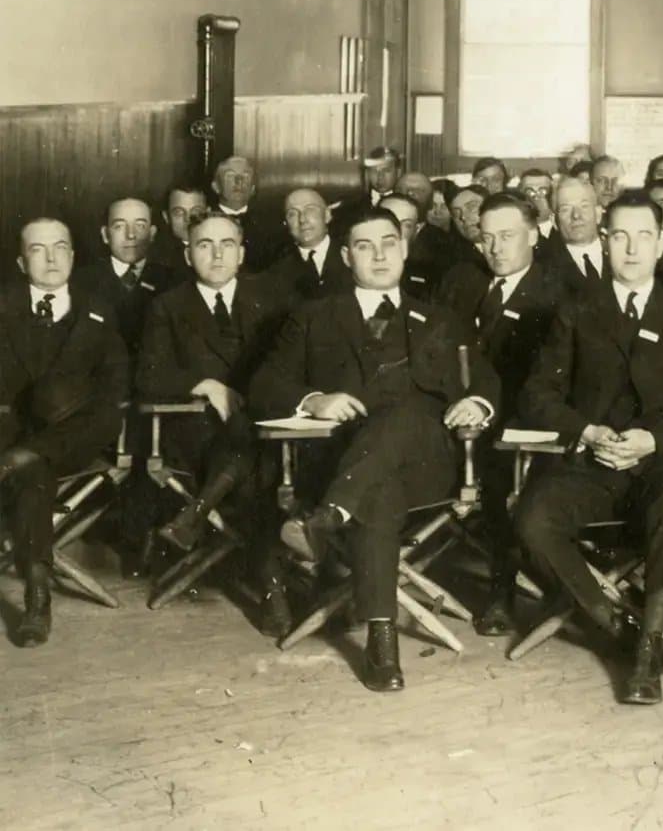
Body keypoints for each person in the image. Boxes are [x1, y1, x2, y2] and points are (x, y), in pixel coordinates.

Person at [256, 208, 497, 692]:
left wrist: (477, 401)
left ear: (405, 247)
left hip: (429, 465)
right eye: (365, 246)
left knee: (407, 412)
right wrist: (314, 400)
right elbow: (264, 383)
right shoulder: (314, 317)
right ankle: (382, 643)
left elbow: (486, 377)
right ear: (346, 256)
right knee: (378, 494)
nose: (380, 254)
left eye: (390, 242)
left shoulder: (442, 319)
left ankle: (330, 516)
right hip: (349, 465)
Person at [516, 193, 663, 705]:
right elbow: (537, 394)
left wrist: (653, 439)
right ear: (605, 242)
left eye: (644, 236)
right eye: (621, 236)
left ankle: (649, 650)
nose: (632, 248)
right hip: (590, 464)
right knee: (533, 520)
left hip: (658, 462)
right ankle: (618, 625)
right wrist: (586, 431)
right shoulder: (577, 306)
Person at [137, 212, 293, 636]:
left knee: (254, 452)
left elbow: (296, 366)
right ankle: (273, 589)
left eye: (227, 243)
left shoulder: (275, 299)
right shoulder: (166, 307)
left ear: (243, 253)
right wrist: (203, 383)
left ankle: (196, 512)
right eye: (205, 244)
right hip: (199, 435)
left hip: (264, 432)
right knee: (258, 472)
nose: (218, 253)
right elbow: (148, 378)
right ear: (188, 254)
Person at [437, 192, 568, 636]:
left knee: (498, 473)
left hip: (519, 424)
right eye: (486, 237)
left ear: (533, 235)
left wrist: (485, 407)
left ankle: (502, 590)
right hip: (451, 416)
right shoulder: (460, 282)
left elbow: (546, 383)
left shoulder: (557, 293)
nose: (495, 248)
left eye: (507, 236)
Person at [0, 218, 130, 647]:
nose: (52, 258)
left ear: (74, 255)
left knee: (98, 419)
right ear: (22, 262)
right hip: (12, 439)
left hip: (77, 438)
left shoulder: (98, 309)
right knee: (32, 473)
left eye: (61, 247)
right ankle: (38, 597)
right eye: (39, 250)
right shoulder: (2, 307)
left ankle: (23, 457)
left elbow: (116, 387)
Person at [71, 196, 175, 355]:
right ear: (106, 235)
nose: (131, 235)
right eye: (119, 226)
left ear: (152, 233)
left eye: (140, 225)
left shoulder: (172, 282)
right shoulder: (80, 282)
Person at [263, 188, 348, 302]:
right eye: (292, 214)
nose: (302, 219)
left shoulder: (351, 256)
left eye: (310, 209)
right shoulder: (275, 268)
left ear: (327, 215)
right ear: (286, 223)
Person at [209, 156, 282, 270]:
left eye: (245, 176)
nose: (239, 181)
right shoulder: (205, 222)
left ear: (253, 189)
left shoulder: (270, 226)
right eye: (230, 176)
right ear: (216, 187)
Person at [540, 177, 604, 296]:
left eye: (584, 206)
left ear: (598, 213)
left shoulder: (619, 254)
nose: (576, 215)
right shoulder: (543, 270)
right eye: (565, 209)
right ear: (554, 221)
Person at [333, 146, 401, 231]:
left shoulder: (405, 204)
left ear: (398, 173)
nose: (380, 177)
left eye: (386, 170)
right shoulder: (349, 204)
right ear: (367, 174)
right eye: (374, 171)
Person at [154, 185, 208, 277]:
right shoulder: (155, 259)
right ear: (166, 217)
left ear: (208, 213)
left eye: (196, 212)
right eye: (179, 213)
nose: (188, 219)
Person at [518, 169, 558, 239]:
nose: (536, 196)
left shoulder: (561, 229)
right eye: (529, 191)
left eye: (542, 190)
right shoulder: (513, 228)